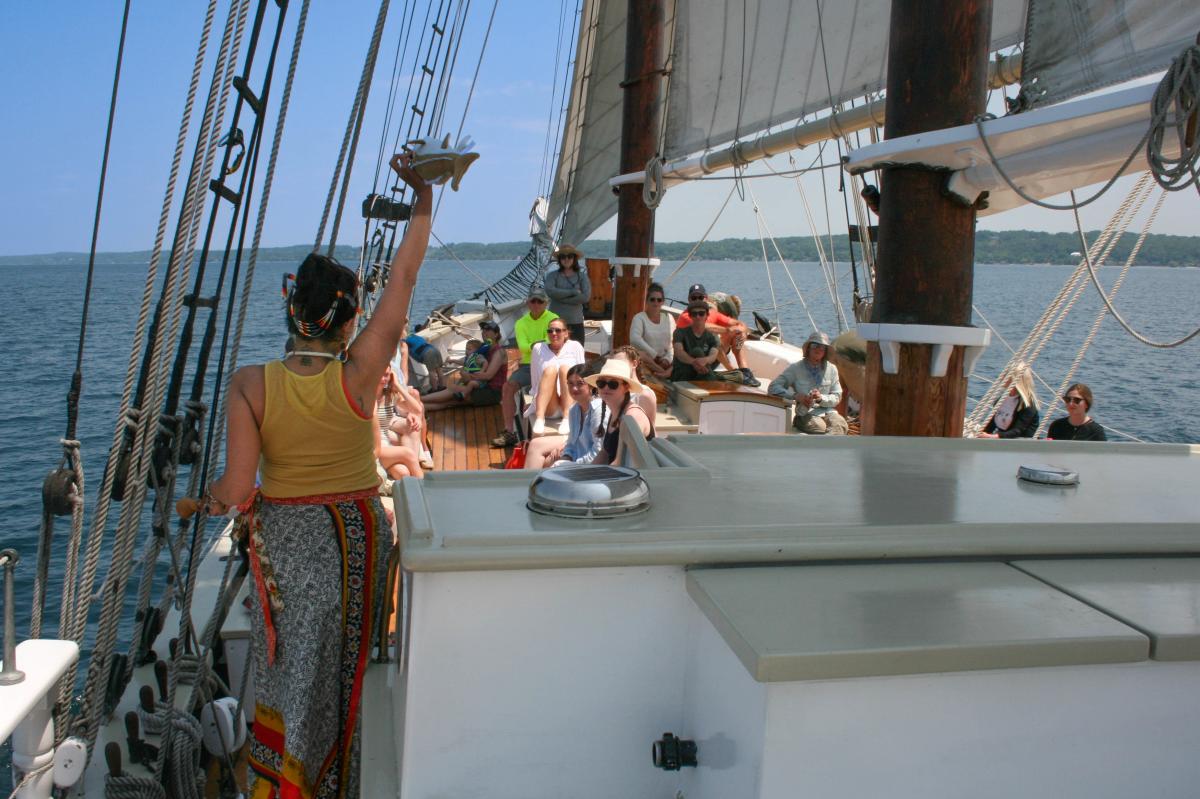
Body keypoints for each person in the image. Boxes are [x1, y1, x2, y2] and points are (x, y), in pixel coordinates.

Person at [198, 153, 432, 798]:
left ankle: (284, 783)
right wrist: (424, 198)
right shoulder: (360, 373)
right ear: (350, 317)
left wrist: (207, 498)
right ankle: (340, 777)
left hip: (288, 545)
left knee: (288, 666)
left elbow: (237, 491)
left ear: (291, 311)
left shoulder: (251, 384)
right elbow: (406, 276)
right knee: (341, 666)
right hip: (355, 538)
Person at [492, 289, 559, 447]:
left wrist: (535, 344)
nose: (536, 304)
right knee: (508, 387)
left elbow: (553, 343)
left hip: (549, 362)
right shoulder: (521, 323)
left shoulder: (553, 319)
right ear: (528, 303)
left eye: (540, 302)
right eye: (533, 301)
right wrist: (541, 342)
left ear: (546, 303)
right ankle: (509, 431)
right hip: (528, 365)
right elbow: (523, 347)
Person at [674, 283, 759, 386]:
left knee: (737, 333)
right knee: (712, 339)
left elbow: (739, 323)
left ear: (706, 299)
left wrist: (742, 331)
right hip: (691, 361)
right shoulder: (686, 316)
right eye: (693, 298)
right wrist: (728, 330)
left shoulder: (713, 313)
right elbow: (703, 326)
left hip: (709, 358)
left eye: (700, 297)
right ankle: (733, 373)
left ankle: (744, 370)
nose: (697, 300)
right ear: (689, 300)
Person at [523, 363, 605, 469]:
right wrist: (566, 456)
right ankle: (528, 483)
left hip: (590, 466)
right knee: (538, 449)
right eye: (570, 384)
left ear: (591, 385)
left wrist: (569, 463)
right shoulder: (574, 410)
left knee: (548, 464)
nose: (574, 388)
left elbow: (598, 453)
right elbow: (571, 442)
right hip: (577, 455)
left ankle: (528, 483)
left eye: (580, 383)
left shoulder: (598, 411)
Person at [768, 331, 848, 435]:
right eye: (815, 345)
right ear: (808, 348)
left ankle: (828, 448)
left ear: (825, 351)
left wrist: (820, 398)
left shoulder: (832, 369)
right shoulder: (795, 368)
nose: (818, 349)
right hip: (805, 414)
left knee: (841, 425)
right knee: (821, 428)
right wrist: (796, 396)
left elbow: (837, 396)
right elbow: (773, 387)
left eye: (822, 347)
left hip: (828, 412)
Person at [421, 321, 507, 412]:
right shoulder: (485, 348)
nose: (484, 332)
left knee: (453, 389)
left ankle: (419, 400)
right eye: (483, 329)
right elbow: (471, 355)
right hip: (482, 387)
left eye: (488, 330)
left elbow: (488, 375)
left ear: (496, 334)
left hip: (492, 393)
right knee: (447, 402)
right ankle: (417, 406)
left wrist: (469, 376)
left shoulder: (498, 352)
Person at [588, 358, 654, 465]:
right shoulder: (615, 412)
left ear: (626, 387)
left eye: (613, 384)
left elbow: (620, 462)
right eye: (601, 383)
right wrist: (586, 473)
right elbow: (605, 453)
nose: (606, 388)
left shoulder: (632, 416)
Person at [529, 319, 587, 435]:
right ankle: (540, 419)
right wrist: (532, 400)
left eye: (558, 330)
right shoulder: (538, 348)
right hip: (550, 406)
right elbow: (535, 380)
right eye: (550, 331)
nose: (554, 333)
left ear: (566, 333)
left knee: (565, 369)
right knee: (550, 370)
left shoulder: (575, 346)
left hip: (572, 403)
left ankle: (567, 418)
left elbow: (583, 376)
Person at [375, 365, 424, 479]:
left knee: (404, 473)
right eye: (380, 374)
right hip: (372, 447)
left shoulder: (389, 395)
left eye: (386, 375)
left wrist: (397, 386)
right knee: (408, 454)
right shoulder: (366, 396)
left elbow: (417, 409)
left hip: (385, 443)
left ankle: (412, 470)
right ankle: (425, 490)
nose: (383, 379)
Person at [543, 243, 591, 344]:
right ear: (559, 259)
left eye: (570, 256)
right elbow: (550, 291)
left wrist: (560, 298)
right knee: (556, 351)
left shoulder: (582, 276)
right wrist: (572, 292)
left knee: (577, 352)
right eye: (563, 257)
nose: (566, 259)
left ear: (574, 259)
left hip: (576, 321)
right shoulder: (552, 276)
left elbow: (585, 297)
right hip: (556, 321)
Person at [979, 362, 1039, 439]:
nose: (1002, 377)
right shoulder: (1001, 400)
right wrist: (982, 434)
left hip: (1020, 445)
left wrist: (993, 436)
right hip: (1003, 441)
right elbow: (991, 425)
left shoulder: (1028, 405)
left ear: (1015, 378)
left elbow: (1017, 431)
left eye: (1006, 374)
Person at [629, 282, 673, 379]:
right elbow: (634, 339)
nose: (656, 302)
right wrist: (654, 355)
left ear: (663, 302)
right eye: (652, 299)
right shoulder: (639, 317)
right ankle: (664, 374)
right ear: (647, 301)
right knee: (641, 355)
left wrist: (667, 359)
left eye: (659, 300)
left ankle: (664, 372)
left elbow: (673, 344)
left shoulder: (669, 318)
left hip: (665, 360)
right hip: (648, 360)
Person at [670, 301, 722, 382]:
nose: (698, 316)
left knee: (699, 353)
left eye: (701, 313)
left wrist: (704, 361)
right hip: (682, 375)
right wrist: (694, 362)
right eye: (694, 314)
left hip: (702, 374)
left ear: (707, 315)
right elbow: (679, 352)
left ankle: (710, 380)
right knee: (697, 351)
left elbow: (713, 356)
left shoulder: (713, 337)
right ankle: (712, 381)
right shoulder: (680, 332)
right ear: (690, 316)